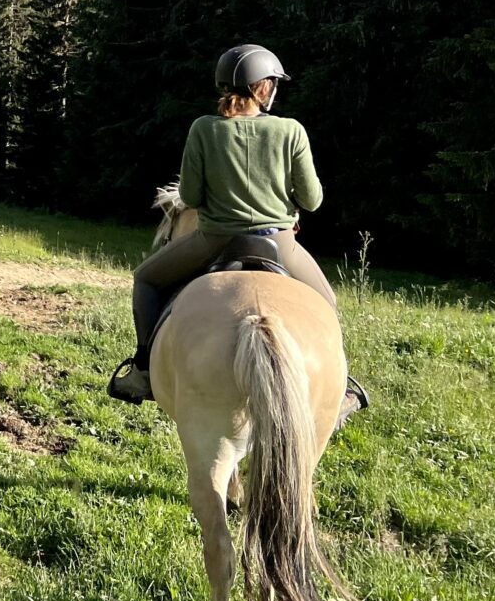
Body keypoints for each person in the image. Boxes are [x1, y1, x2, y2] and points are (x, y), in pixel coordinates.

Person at [107, 44, 369, 421]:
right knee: (326, 303)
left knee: (146, 279)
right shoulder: (290, 131)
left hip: (212, 241)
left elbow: (191, 195)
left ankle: (144, 370)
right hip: (280, 244)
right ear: (264, 89)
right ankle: (341, 385)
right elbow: (312, 200)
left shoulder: (203, 128)